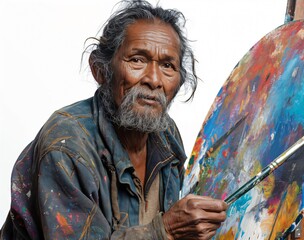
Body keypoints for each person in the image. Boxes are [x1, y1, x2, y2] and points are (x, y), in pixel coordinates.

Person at [0, 0, 228, 239]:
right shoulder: (67, 146)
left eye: (168, 66)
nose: (154, 79)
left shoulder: (166, 135)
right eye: (137, 60)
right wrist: (164, 231)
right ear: (100, 70)